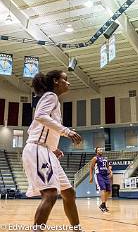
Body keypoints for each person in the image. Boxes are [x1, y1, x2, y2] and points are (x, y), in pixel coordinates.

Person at [22, 71, 82, 231]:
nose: (68, 83)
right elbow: (40, 117)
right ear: (56, 81)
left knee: (69, 193)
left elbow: (34, 128)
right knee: (50, 194)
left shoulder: (52, 100)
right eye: (65, 80)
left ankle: (77, 229)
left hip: (46, 150)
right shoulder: (51, 96)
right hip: (37, 149)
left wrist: (53, 149)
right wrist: (66, 131)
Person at [89, 147, 113, 213]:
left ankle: (102, 204)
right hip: (99, 175)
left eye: (101, 149)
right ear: (96, 151)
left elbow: (108, 167)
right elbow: (91, 168)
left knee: (109, 191)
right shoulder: (95, 158)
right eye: (99, 150)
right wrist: (91, 177)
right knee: (103, 189)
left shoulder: (105, 159)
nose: (100, 150)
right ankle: (104, 205)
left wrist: (111, 172)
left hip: (106, 175)